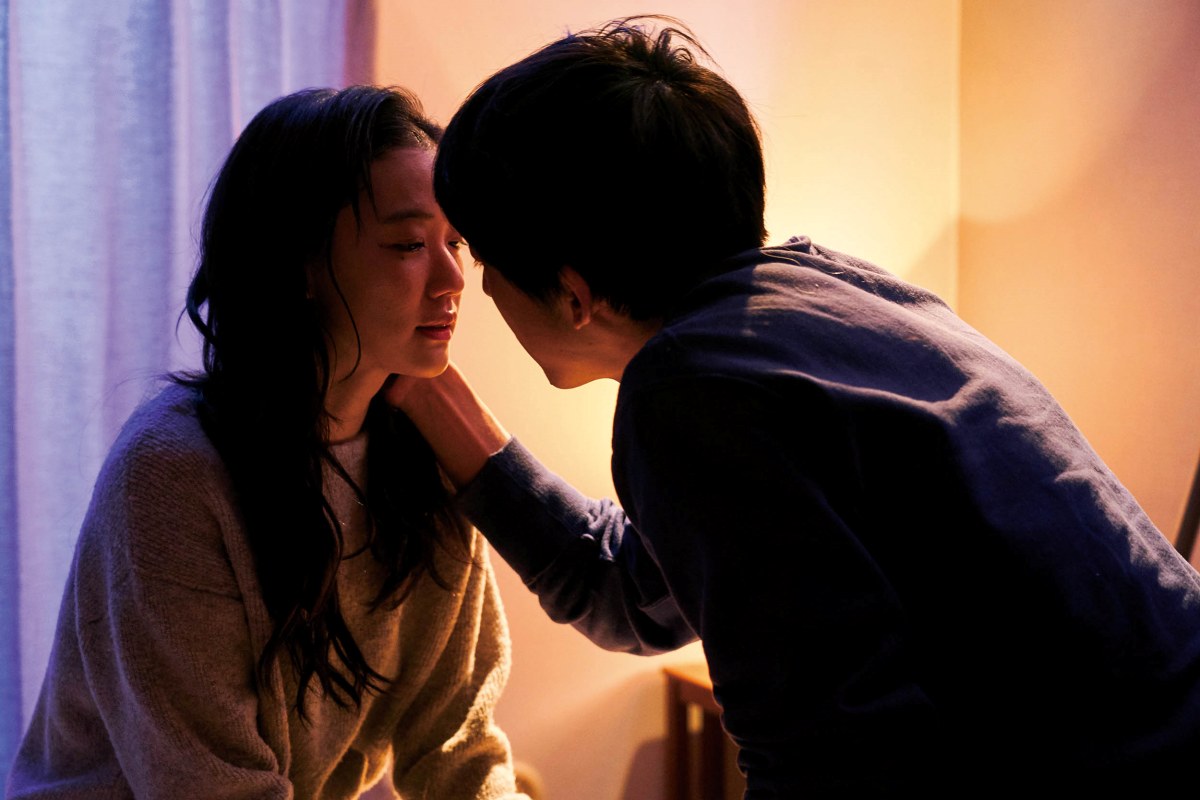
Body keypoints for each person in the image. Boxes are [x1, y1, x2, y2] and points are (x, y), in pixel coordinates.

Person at [391, 17, 1200, 797]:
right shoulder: (824, 290)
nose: (467, 285)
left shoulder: (691, 392)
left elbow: (835, 764)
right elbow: (633, 590)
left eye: (479, 257)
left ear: (573, 295)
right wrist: (430, 393)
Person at [6, 86, 528, 800]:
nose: (452, 280)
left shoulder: (429, 451)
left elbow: (457, 748)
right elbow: (213, 789)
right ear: (301, 263)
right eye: (410, 244)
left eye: (455, 242)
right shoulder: (172, 474)